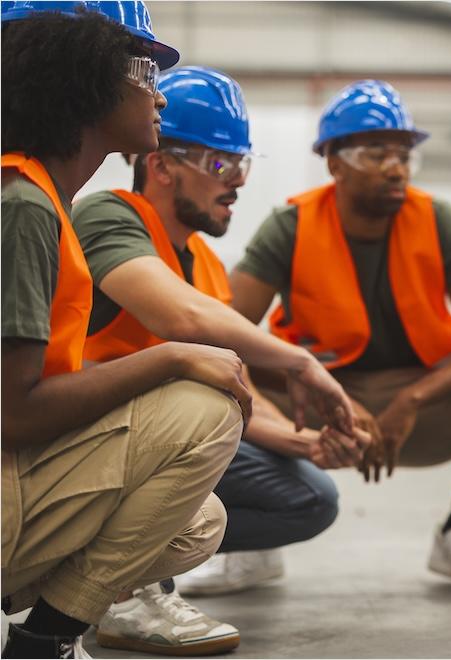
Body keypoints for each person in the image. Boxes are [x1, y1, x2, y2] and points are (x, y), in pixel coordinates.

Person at [71, 65, 366, 655]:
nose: (236, 182)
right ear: (160, 165)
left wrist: (306, 441)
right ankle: (123, 589)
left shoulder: (203, 263)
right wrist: (302, 363)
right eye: (219, 165)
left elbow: (234, 392)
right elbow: (181, 319)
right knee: (195, 390)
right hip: (75, 437)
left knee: (309, 497)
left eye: (241, 165)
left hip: (152, 439)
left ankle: (112, 566)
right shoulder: (109, 216)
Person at [229, 80, 451, 593]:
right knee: (215, 386)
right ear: (334, 163)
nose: (395, 166)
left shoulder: (436, 220)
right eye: (375, 152)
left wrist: (412, 400)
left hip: (421, 406)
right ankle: (254, 543)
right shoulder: (291, 225)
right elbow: (227, 333)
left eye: (404, 154)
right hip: (313, 400)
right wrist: (319, 386)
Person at [1, 2, 249, 657]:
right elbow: (14, 416)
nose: (158, 95)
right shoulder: (24, 206)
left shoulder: (37, 194)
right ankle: (48, 637)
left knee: (197, 522)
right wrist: (171, 359)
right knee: (207, 410)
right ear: (78, 73)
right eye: (142, 69)